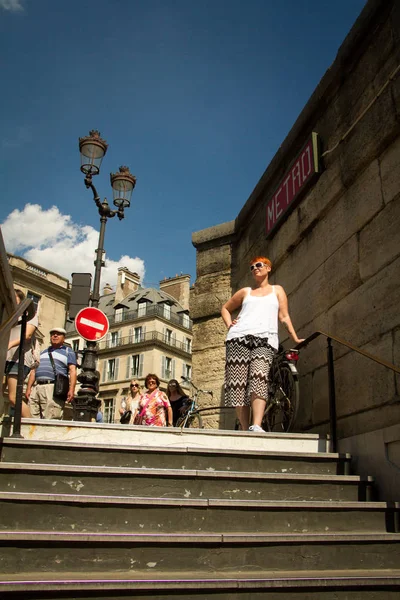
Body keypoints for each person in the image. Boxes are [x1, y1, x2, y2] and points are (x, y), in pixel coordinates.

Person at [221, 256, 304, 433]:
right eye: (252, 267)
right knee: (238, 385)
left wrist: (295, 338)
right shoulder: (246, 292)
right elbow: (225, 308)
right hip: (238, 338)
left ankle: (256, 425)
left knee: (259, 377)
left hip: (265, 339)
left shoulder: (277, 290)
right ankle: (244, 428)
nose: (255, 269)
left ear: (268, 268)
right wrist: (230, 325)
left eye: (259, 265)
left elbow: (284, 316)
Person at [26, 327, 77, 419]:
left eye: (58, 334)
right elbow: (34, 371)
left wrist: (71, 389)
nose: (55, 335)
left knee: (51, 416)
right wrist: (29, 388)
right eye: (53, 334)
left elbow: (73, 371)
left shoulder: (68, 351)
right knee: (31, 416)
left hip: (53, 387)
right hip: (37, 387)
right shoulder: (43, 352)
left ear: (63, 338)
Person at [4, 289, 38, 418]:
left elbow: (27, 335)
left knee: (13, 397)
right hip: (5, 359)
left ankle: (30, 425)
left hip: (19, 360)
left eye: (14, 299)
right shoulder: (8, 316)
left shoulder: (31, 315)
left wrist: (9, 345)